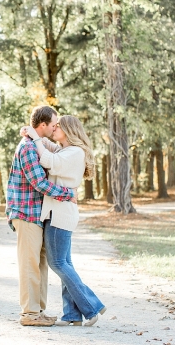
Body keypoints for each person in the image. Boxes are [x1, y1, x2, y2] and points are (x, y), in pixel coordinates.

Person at [21, 115, 107, 327]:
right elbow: (48, 145)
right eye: (53, 125)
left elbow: (47, 160)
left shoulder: (75, 153)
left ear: (68, 130)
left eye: (58, 126)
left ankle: (92, 305)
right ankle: (72, 315)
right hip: (57, 211)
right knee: (65, 264)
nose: (54, 128)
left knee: (58, 263)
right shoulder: (65, 150)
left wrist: (36, 138)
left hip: (61, 213)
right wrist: (32, 133)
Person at [6, 105, 77, 327]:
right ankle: (29, 313)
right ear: (43, 125)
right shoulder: (27, 148)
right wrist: (68, 194)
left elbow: (59, 153)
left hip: (38, 215)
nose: (56, 127)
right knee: (29, 264)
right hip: (26, 214)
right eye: (54, 124)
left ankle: (39, 310)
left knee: (41, 264)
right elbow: (39, 183)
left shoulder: (36, 144)